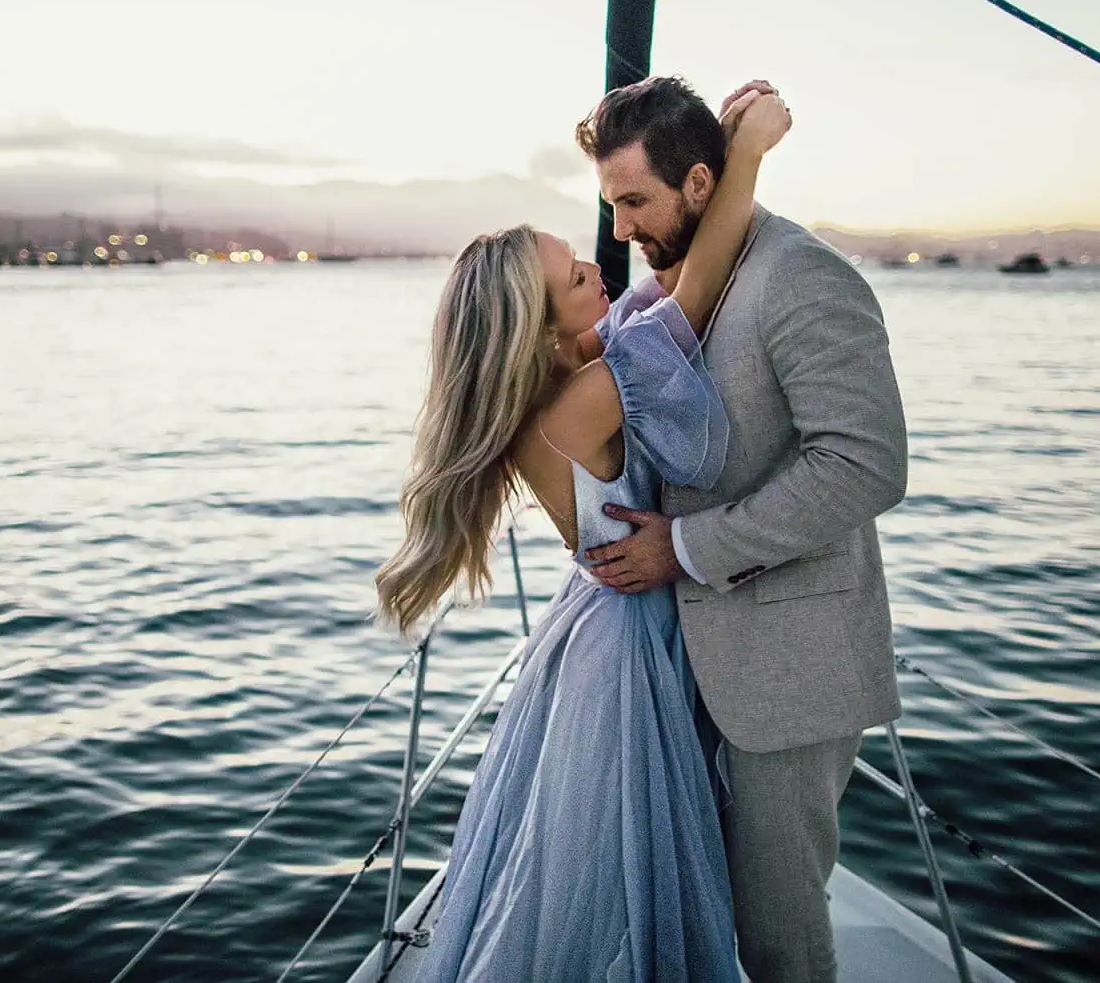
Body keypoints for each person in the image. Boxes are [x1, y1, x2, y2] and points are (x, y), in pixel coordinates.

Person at [375, 84, 792, 980]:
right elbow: (703, 284)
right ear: (540, 323)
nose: (601, 268)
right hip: (627, 642)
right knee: (624, 869)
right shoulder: (582, 402)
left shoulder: (558, 391)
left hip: (596, 618)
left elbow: (662, 295)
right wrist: (747, 155)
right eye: (575, 279)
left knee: (594, 856)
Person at [581, 76, 909, 982]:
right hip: (674, 665)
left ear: (697, 183)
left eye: (633, 201)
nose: (619, 231)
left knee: (778, 933)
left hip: (789, 668)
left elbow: (866, 464)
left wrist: (681, 548)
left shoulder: (800, 276)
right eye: (611, 205)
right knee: (685, 904)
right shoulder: (675, 289)